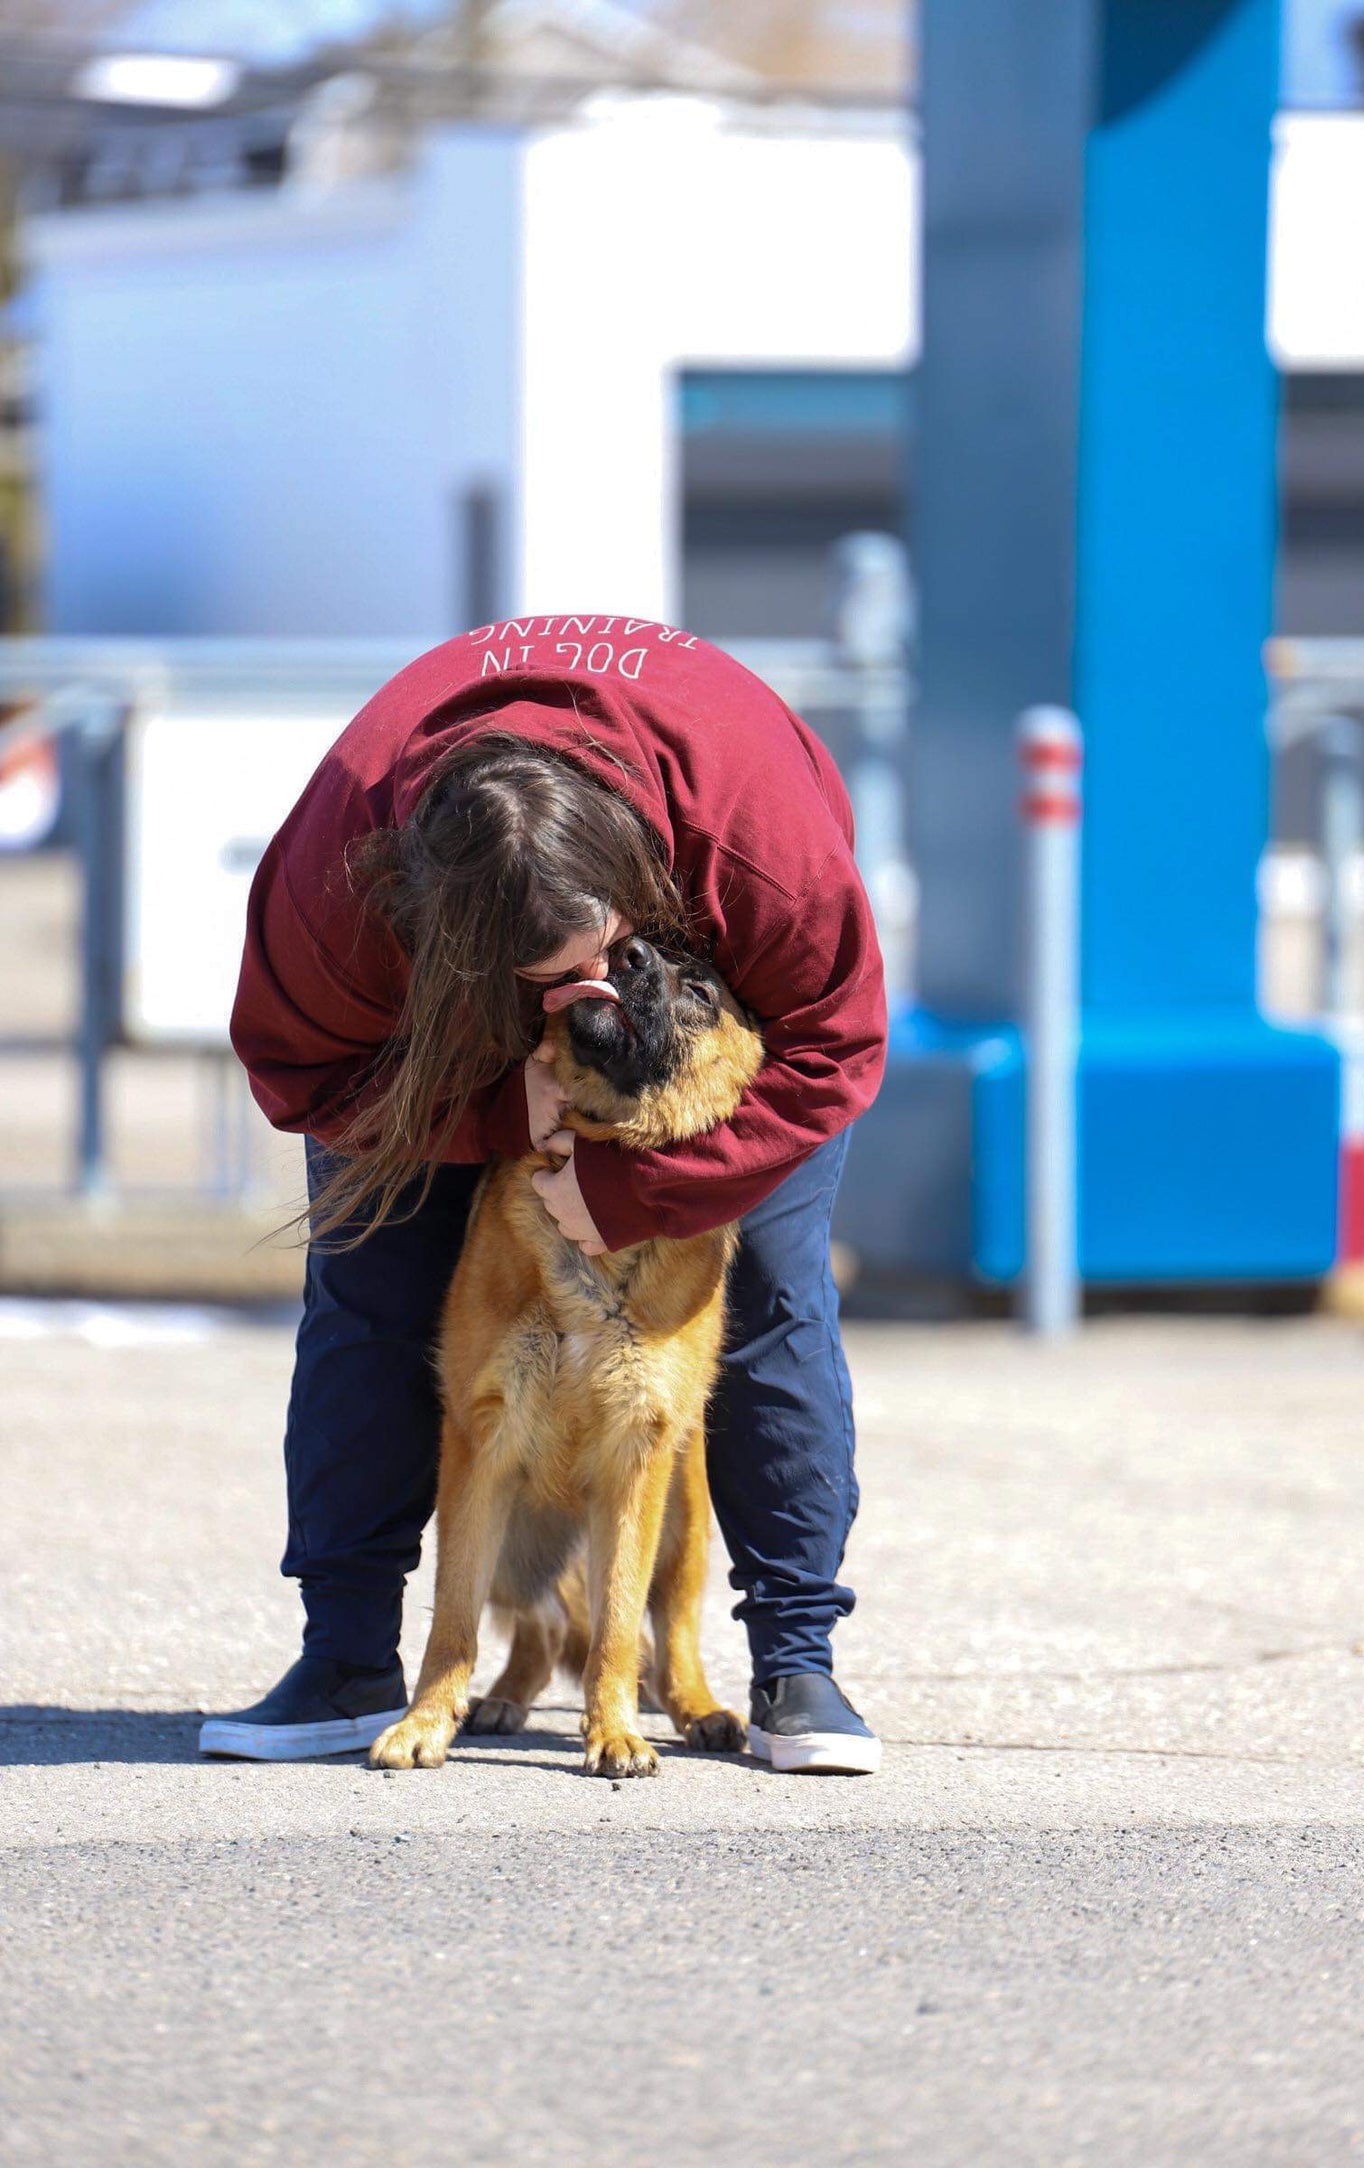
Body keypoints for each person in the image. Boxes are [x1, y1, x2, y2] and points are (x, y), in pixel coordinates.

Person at [199, 616, 887, 1774]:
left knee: (769, 1290)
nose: (579, 993)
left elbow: (839, 1051)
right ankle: (347, 1654)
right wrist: (494, 1119)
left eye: (596, 954)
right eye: (545, 980)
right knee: (370, 1283)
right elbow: (293, 1067)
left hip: (706, 984)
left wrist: (641, 1188)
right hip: (434, 1032)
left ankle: (796, 1660)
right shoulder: (335, 877)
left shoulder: (752, 836)